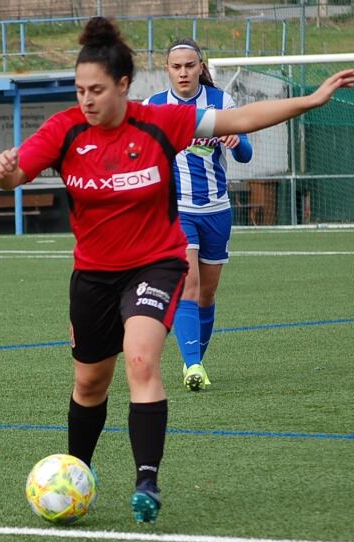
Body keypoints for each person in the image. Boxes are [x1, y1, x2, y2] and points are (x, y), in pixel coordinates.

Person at [0, 16, 354, 524]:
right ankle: (78, 470)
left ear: (124, 85)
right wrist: (5, 174)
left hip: (156, 263)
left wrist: (310, 100)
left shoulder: (159, 122)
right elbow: (15, 175)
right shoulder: (64, 130)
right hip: (93, 274)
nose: (87, 100)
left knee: (141, 361)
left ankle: (147, 481)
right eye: (80, 90)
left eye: (97, 89)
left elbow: (242, 121)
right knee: (91, 384)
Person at [144, 38, 253, 392]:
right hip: (177, 212)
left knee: (207, 294)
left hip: (217, 210)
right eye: (176, 67)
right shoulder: (154, 107)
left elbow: (246, 155)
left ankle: (197, 362)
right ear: (167, 70)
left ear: (201, 66)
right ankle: (192, 365)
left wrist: (238, 142)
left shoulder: (221, 103)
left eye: (190, 65)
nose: (183, 72)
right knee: (187, 285)